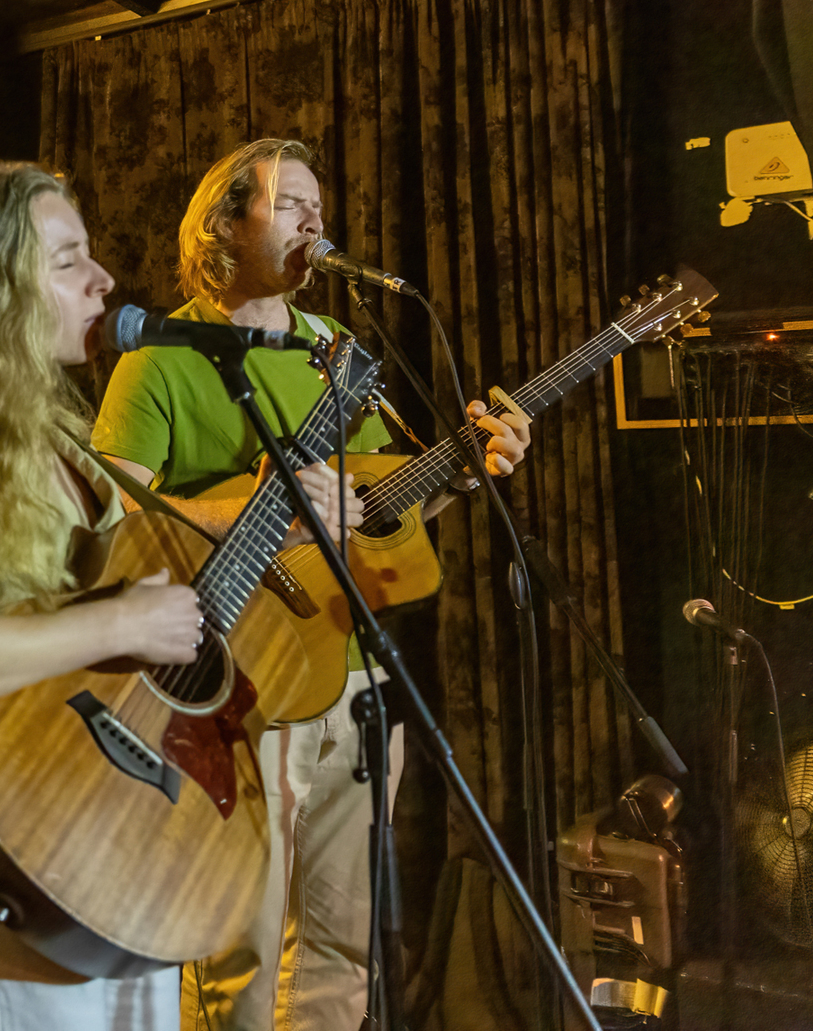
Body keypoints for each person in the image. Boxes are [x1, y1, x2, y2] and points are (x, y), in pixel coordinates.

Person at [0, 162, 330, 1030]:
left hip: (122, 849)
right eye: (68, 261)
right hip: (25, 852)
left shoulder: (70, 451)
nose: (105, 279)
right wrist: (119, 622)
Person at [91, 139, 532, 1031]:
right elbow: (105, 521)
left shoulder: (337, 351)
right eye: (290, 202)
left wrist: (463, 473)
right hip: (240, 687)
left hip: (354, 683)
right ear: (225, 224)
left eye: (317, 205)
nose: (315, 220)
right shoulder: (162, 357)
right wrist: (252, 511)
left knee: (343, 952)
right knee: (238, 953)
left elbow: (372, 510)